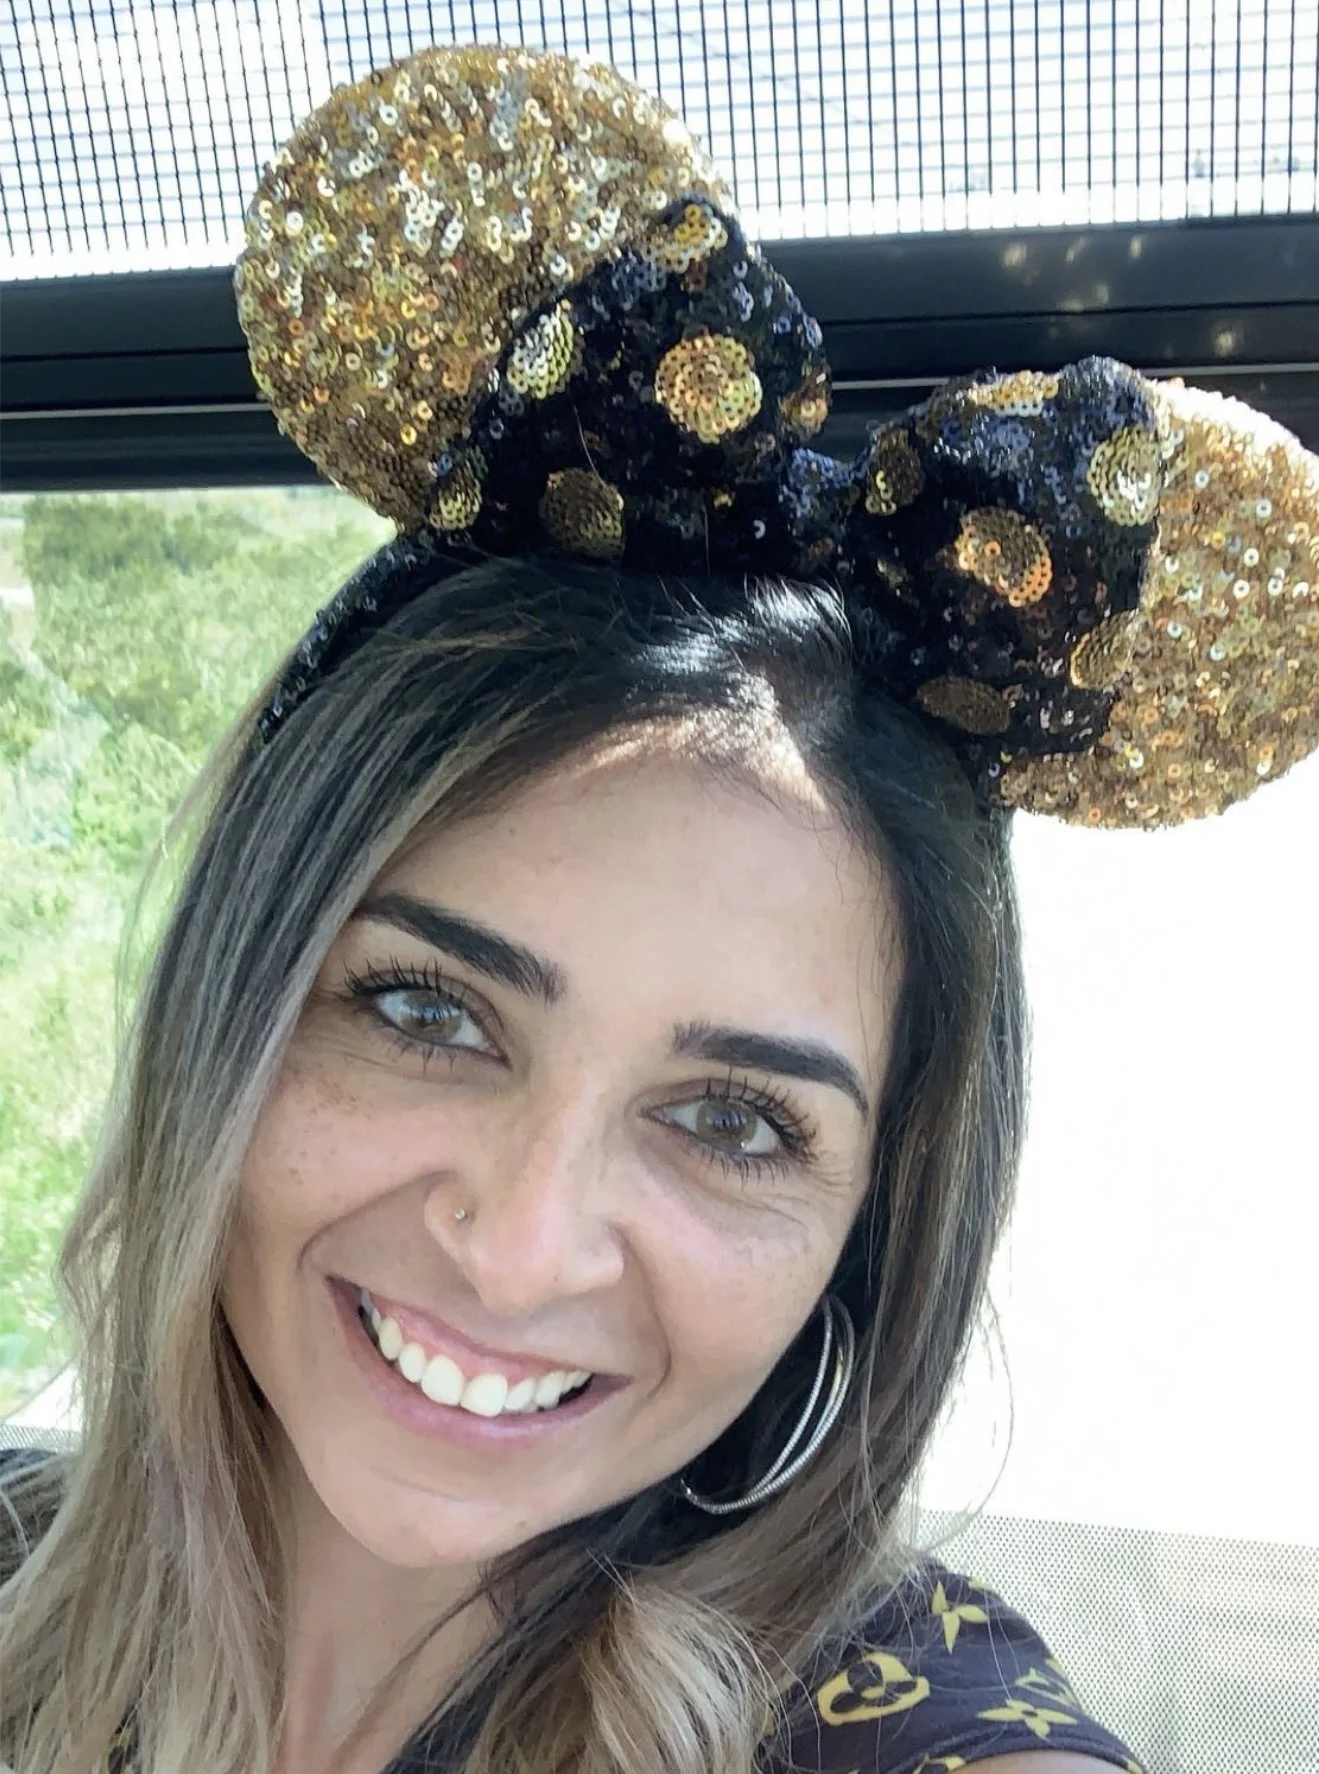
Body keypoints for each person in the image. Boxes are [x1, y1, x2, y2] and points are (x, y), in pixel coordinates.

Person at [1, 41, 1314, 1774]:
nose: (521, 1246)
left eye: (733, 1119)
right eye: (426, 1011)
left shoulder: (900, 1720)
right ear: (231, 994)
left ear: (869, 1236)